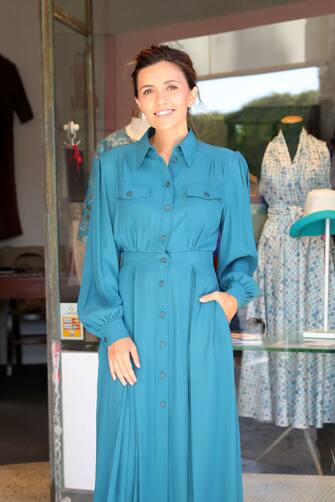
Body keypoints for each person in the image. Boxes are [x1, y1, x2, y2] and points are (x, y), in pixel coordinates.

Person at [78, 44, 259, 502]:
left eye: (172, 87)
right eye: (149, 90)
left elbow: (240, 254)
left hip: (198, 321)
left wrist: (232, 299)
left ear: (193, 93)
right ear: (138, 102)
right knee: (130, 436)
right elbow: (100, 255)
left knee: (201, 435)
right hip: (130, 326)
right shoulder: (112, 167)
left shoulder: (226, 166)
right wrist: (112, 329)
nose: (161, 99)